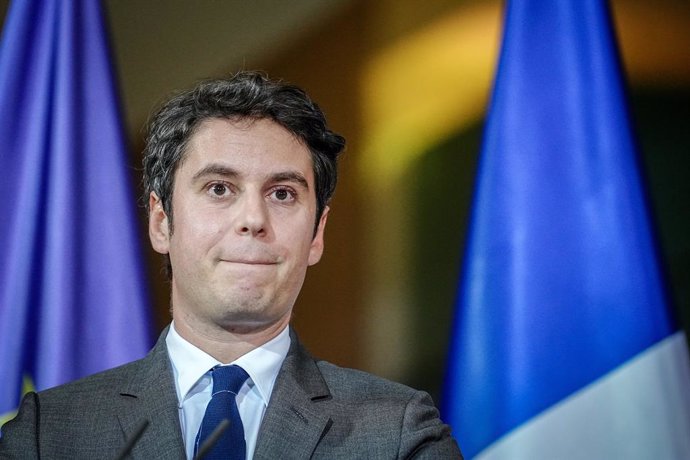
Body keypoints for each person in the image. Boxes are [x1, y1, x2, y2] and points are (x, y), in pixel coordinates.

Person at [0, 71, 462, 459]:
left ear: (317, 234)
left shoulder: (398, 433)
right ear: (162, 222)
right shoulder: (51, 433)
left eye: (282, 193)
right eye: (220, 188)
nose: (253, 220)